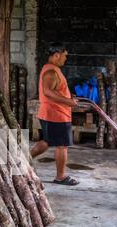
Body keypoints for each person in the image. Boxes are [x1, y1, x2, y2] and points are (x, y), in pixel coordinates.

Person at [31, 42, 80, 186]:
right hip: (56, 114)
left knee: (47, 141)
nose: (65, 59)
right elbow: (47, 92)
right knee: (62, 145)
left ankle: (22, 160)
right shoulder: (51, 72)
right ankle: (61, 177)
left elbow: (55, 90)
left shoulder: (52, 69)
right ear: (57, 55)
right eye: (64, 56)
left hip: (51, 113)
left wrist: (70, 98)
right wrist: (68, 101)